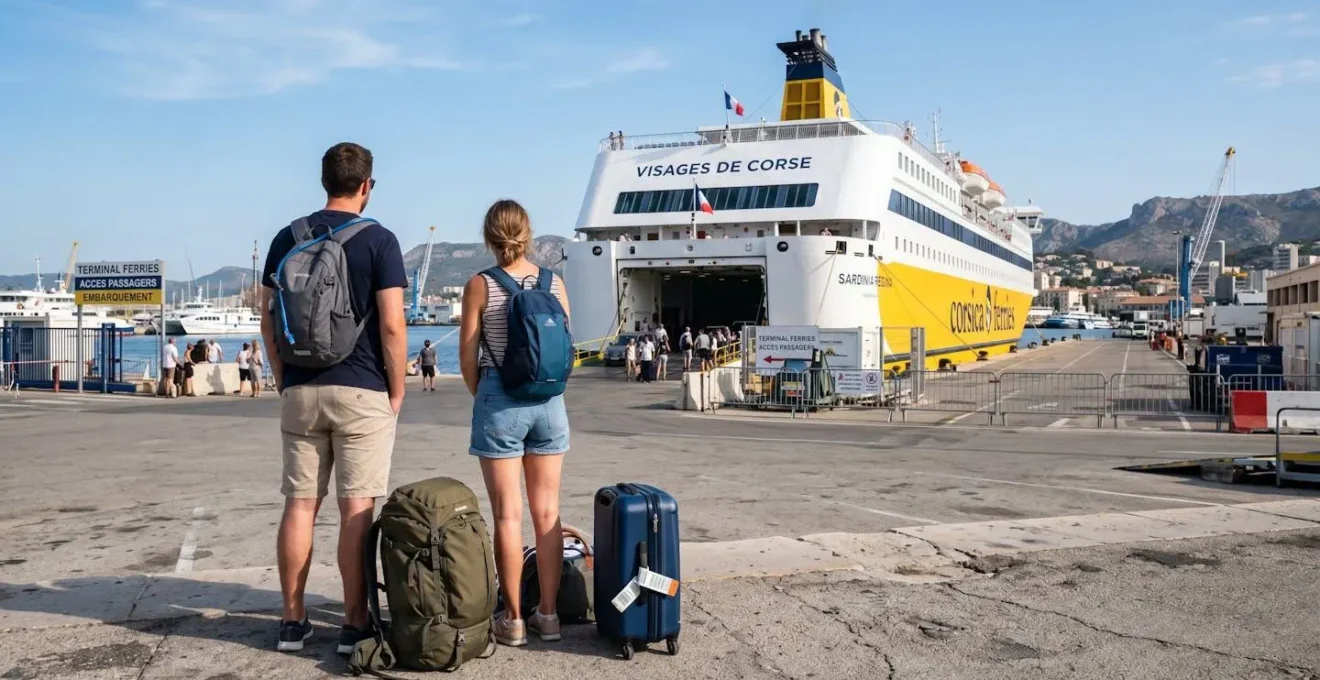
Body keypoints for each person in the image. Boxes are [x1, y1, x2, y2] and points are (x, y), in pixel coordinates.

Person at [262, 142, 408, 655]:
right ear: (367, 185)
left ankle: (291, 621)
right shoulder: (380, 241)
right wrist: (397, 389)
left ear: (324, 181)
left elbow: (268, 321)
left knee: (300, 506)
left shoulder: (288, 237)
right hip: (361, 390)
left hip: (300, 390)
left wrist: (284, 377)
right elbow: (391, 325)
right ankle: (353, 626)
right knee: (355, 511)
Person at [460, 199, 570, 648]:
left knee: (508, 515)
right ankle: (549, 615)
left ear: (489, 236)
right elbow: (565, 347)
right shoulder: (555, 283)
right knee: (548, 513)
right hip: (550, 403)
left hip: (501, 400)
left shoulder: (480, 284)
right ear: (528, 233)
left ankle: (513, 619)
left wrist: (485, 395)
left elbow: (469, 355)